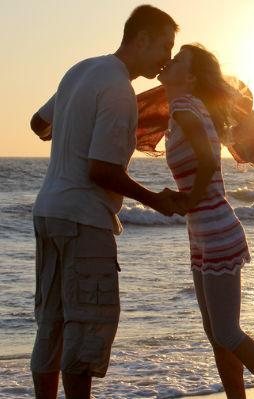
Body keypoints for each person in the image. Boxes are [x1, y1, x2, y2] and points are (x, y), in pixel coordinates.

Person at [28, 5, 183, 398]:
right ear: (142, 39)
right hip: (84, 220)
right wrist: (157, 200)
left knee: (53, 325)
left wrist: (73, 127)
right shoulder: (119, 90)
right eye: (164, 46)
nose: (167, 56)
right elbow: (101, 171)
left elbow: (38, 124)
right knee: (86, 330)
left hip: (48, 211)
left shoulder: (82, 68)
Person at [157, 44, 254, 399]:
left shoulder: (185, 108)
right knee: (216, 333)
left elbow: (207, 162)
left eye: (177, 61)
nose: (168, 61)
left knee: (227, 333)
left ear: (189, 77)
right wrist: (184, 199)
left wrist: (186, 200)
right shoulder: (185, 108)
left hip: (216, 228)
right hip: (203, 230)